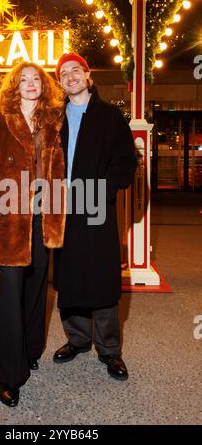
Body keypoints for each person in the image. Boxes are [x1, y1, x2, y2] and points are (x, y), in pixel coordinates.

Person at [0, 62, 65, 407]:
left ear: (43, 85)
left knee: (38, 287)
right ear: (14, 86)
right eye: (23, 79)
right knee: (10, 293)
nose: (30, 84)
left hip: (44, 217)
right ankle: (8, 375)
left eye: (35, 79)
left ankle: (29, 350)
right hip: (9, 218)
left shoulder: (53, 120)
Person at [53, 53, 137, 381]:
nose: (71, 76)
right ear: (59, 81)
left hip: (97, 207)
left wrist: (103, 191)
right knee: (68, 276)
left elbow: (126, 161)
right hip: (62, 208)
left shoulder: (110, 116)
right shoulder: (54, 117)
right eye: (64, 73)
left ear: (87, 75)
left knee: (102, 278)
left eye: (76, 70)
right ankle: (76, 339)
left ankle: (109, 348)